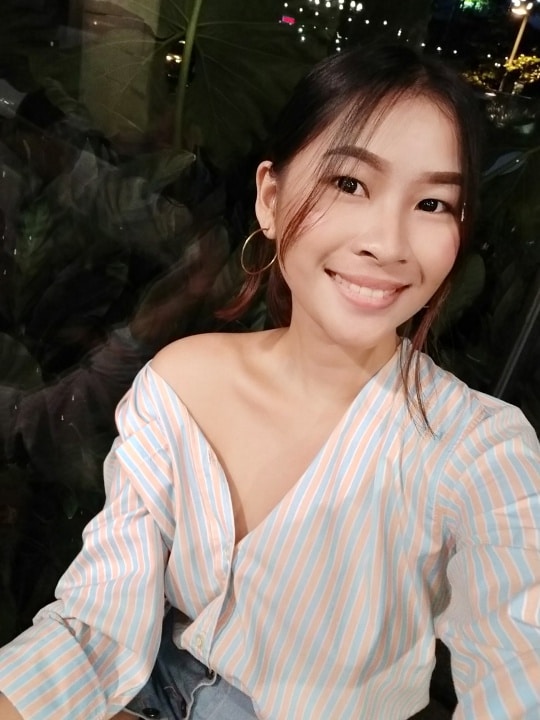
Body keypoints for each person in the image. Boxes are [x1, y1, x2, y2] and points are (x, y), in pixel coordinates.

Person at [0, 43, 539, 720]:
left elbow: (522, 667)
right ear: (271, 198)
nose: (388, 243)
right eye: (349, 184)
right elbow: (96, 627)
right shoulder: (180, 384)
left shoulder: (481, 449)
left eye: (433, 203)